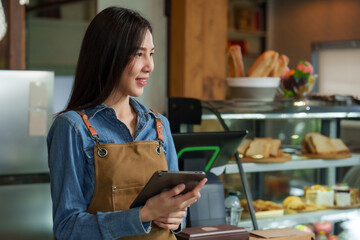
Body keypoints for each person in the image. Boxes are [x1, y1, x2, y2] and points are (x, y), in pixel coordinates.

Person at [47, 6, 207, 240]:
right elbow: (67, 228)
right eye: (138, 53)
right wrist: (142, 215)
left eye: (151, 54)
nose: (149, 66)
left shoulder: (159, 124)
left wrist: (175, 218)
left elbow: (176, 217)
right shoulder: (71, 127)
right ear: (108, 55)